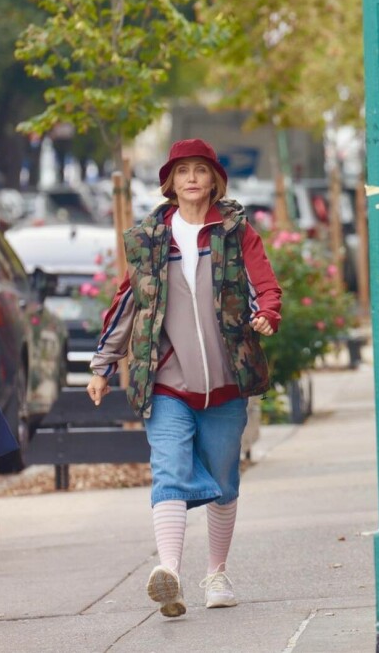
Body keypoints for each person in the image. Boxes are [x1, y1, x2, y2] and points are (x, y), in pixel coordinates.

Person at [87, 138, 282, 618]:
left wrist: (266, 314)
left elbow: (262, 284)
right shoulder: (150, 240)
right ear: (170, 184)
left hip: (228, 379)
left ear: (215, 180)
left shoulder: (236, 234)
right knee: (169, 469)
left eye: (200, 170)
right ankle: (169, 573)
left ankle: (216, 573)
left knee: (223, 479)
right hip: (167, 380)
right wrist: (102, 364)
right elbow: (127, 304)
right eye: (182, 171)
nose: (191, 177)